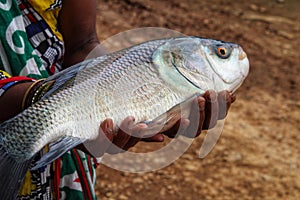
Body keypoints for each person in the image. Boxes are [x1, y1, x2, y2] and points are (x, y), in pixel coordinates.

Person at [0, 0, 235, 199]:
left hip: (60, 163)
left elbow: (82, 43)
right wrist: (37, 101)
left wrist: (108, 100)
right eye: (221, 53)